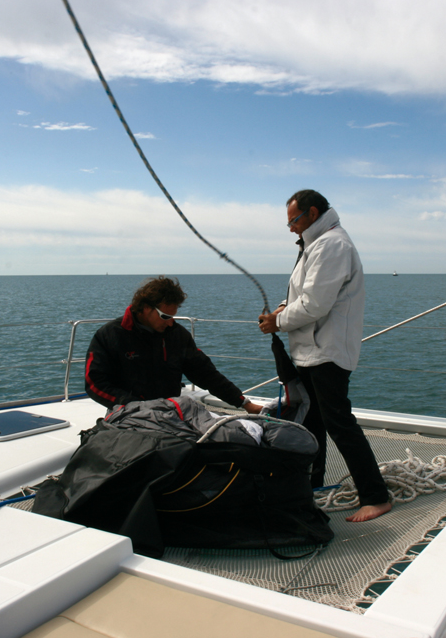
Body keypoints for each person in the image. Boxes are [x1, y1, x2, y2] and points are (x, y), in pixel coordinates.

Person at [258, 190, 391, 522]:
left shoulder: (332, 245)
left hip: (326, 353)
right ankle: (311, 487)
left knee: (339, 424)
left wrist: (279, 321)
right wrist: (283, 311)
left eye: (293, 221)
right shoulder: (317, 244)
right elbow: (309, 296)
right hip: (312, 352)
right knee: (312, 424)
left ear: (312, 213)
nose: (290, 228)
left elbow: (317, 304)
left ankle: (376, 495)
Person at [85, 276, 263, 415]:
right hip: (128, 414)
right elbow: (95, 383)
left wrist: (244, 404)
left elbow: (206, 374)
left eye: (173, 316)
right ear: (146, 308)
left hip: (169, 414)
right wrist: (134, 406)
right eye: (165, 316)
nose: (170, 323)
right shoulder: (110, 335)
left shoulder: (176, 336)